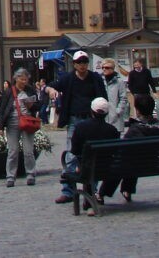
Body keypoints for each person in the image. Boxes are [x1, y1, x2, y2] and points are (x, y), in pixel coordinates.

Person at [45, 51, 107, 204]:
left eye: (85, 62)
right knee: (71, 155)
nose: (83, 65)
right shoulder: (68, 78)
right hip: (75, 120)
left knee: (93, 155)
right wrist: (50, 90)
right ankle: (68, 191)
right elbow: (49, 87)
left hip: (92, 120)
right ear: (74, 64)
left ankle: (91, 189)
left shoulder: (95, 78)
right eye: (79, 62)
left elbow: (103, 97)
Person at [97, 93, 159, 207]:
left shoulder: (135, 129)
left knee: (122, 163)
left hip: (136, 164)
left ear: (137, 110)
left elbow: (123, 150)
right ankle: (127, 190)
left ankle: (101, 194)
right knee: (132, 160)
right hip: (153, 163)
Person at [63, 97, 119, 213]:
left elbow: (75, 150)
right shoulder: (112, 130)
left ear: (91, 111)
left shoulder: (81, 127)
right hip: (109, 169)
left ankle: (89, 202)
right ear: (106, 113)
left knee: (87, 165)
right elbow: (115, 151)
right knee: (95, 165)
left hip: (87, 169)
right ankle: (99, 195)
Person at [0, 68, 39, 187]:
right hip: (12, 123)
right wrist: (1, 127)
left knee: (28, 151)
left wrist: (32, 105)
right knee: (13, 151)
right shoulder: (9, 92)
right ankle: (10, 176)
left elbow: (38, 106)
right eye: (22, 79)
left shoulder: (30, 90)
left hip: (27, 122)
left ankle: (30, 174)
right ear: (16, 78)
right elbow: (2, 109)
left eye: (26, 79)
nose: (24, 81)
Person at [101, 59, 130, 133]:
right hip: (102, 117)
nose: (104, 69)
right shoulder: (100, 81)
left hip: (116, 118)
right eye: (103, 67)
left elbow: (123, 98)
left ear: (112, 69)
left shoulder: (119, 81)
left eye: (107, 67)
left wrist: (118, 111)